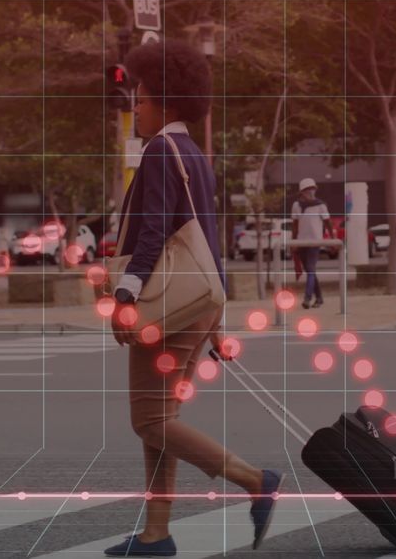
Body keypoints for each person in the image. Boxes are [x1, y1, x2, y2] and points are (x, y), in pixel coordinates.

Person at [106, 39, 283, 558]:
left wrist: (125, 293)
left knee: (150, 420)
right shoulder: (195, 156)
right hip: (195, 302)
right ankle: (156, 536)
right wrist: (215, 320)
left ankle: (254, 481)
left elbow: (156, 231)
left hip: (165, 303)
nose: (134, 106)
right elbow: (207, 238)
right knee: (160, 421)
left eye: (140, 98)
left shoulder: (162, 149)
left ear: (168, 102)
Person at [291, 178, 331, 309]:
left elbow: (327, 223)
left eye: (312, 189)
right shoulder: (296, 206)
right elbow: (295, 226)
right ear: (302, 192)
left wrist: (333, 238)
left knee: (311, 269)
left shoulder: (321, 205)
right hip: (302, 242)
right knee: (310, 271)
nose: (311, 192)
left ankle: (307, 298)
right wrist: (293, 242)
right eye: (307, 190)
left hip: (315, 242)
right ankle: (319, 298)